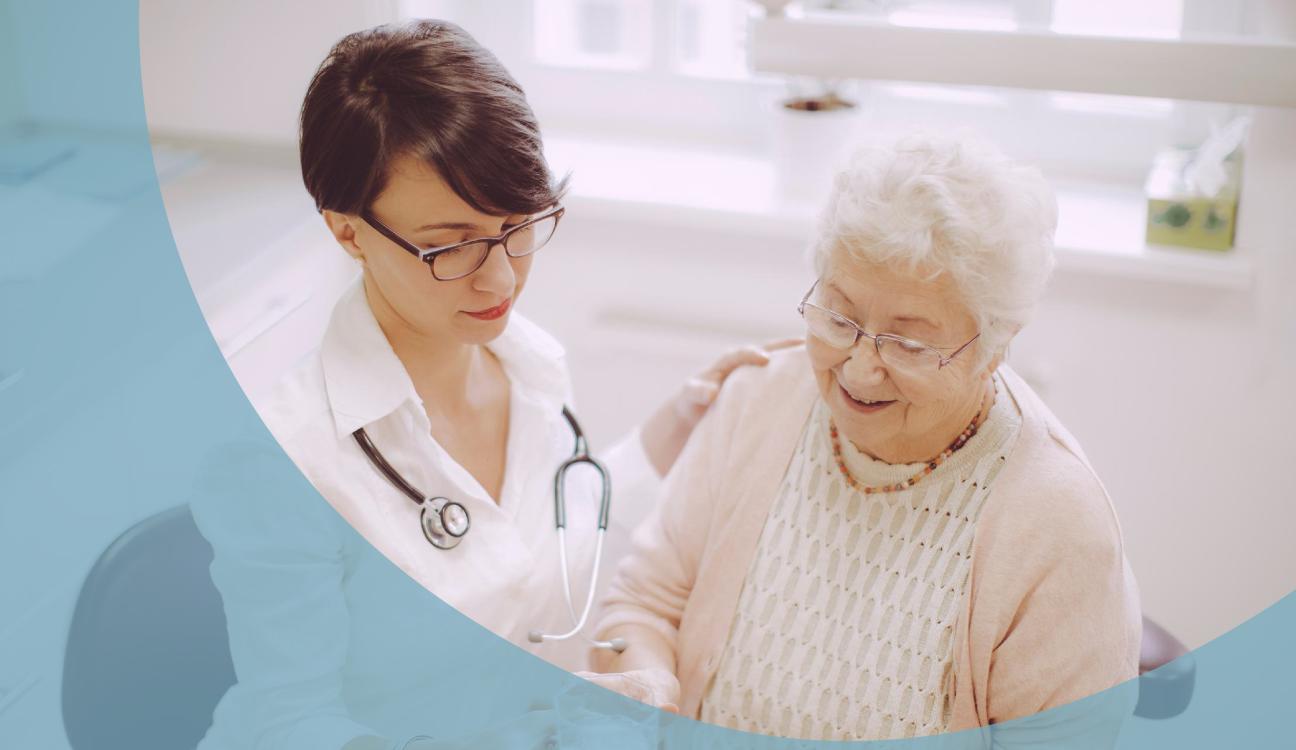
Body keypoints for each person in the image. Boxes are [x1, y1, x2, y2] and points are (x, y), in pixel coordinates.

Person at [190, 20, 790, 750]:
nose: (501, 278)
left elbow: (532, 554)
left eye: (518, 225)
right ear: (348, 233)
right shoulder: (279, 457)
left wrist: (676, 427)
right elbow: (293, 725)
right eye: (450, 246)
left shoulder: (528, 366)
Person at [593, 134, 1142, 743]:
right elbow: (642, 605)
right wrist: (649, 690)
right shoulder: (759, 400)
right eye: (839, 316)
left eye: (908, 342)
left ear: (992, 349)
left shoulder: (1057, 526)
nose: (858, 369)